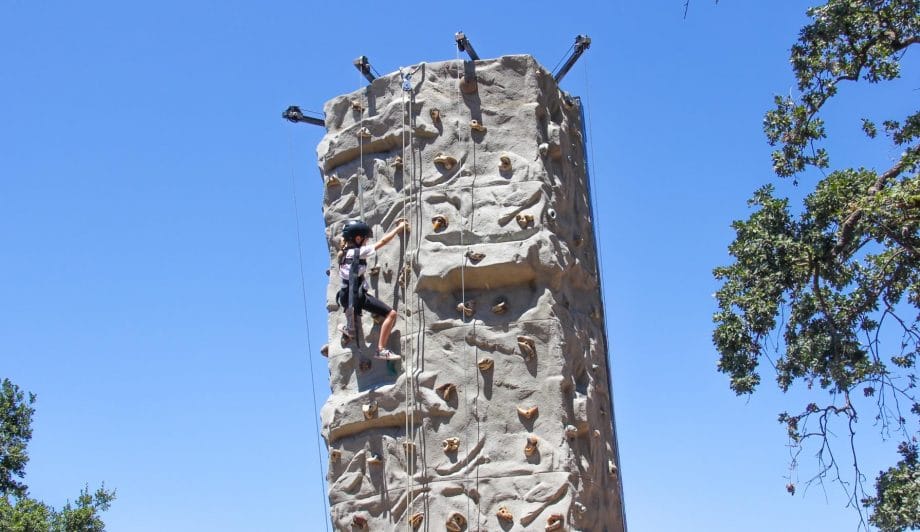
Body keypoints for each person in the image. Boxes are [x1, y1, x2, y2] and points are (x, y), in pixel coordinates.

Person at [336, 219, 409, 360]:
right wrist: (398, 228)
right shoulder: (359, 252)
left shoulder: (344, 255)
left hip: (344, 296)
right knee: (391, 314)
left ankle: (349, 328)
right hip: (357, 297)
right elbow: (382, 242)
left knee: (350, 307)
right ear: (358, 238)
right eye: (365, 239)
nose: (366, 242)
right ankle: (380, 350)